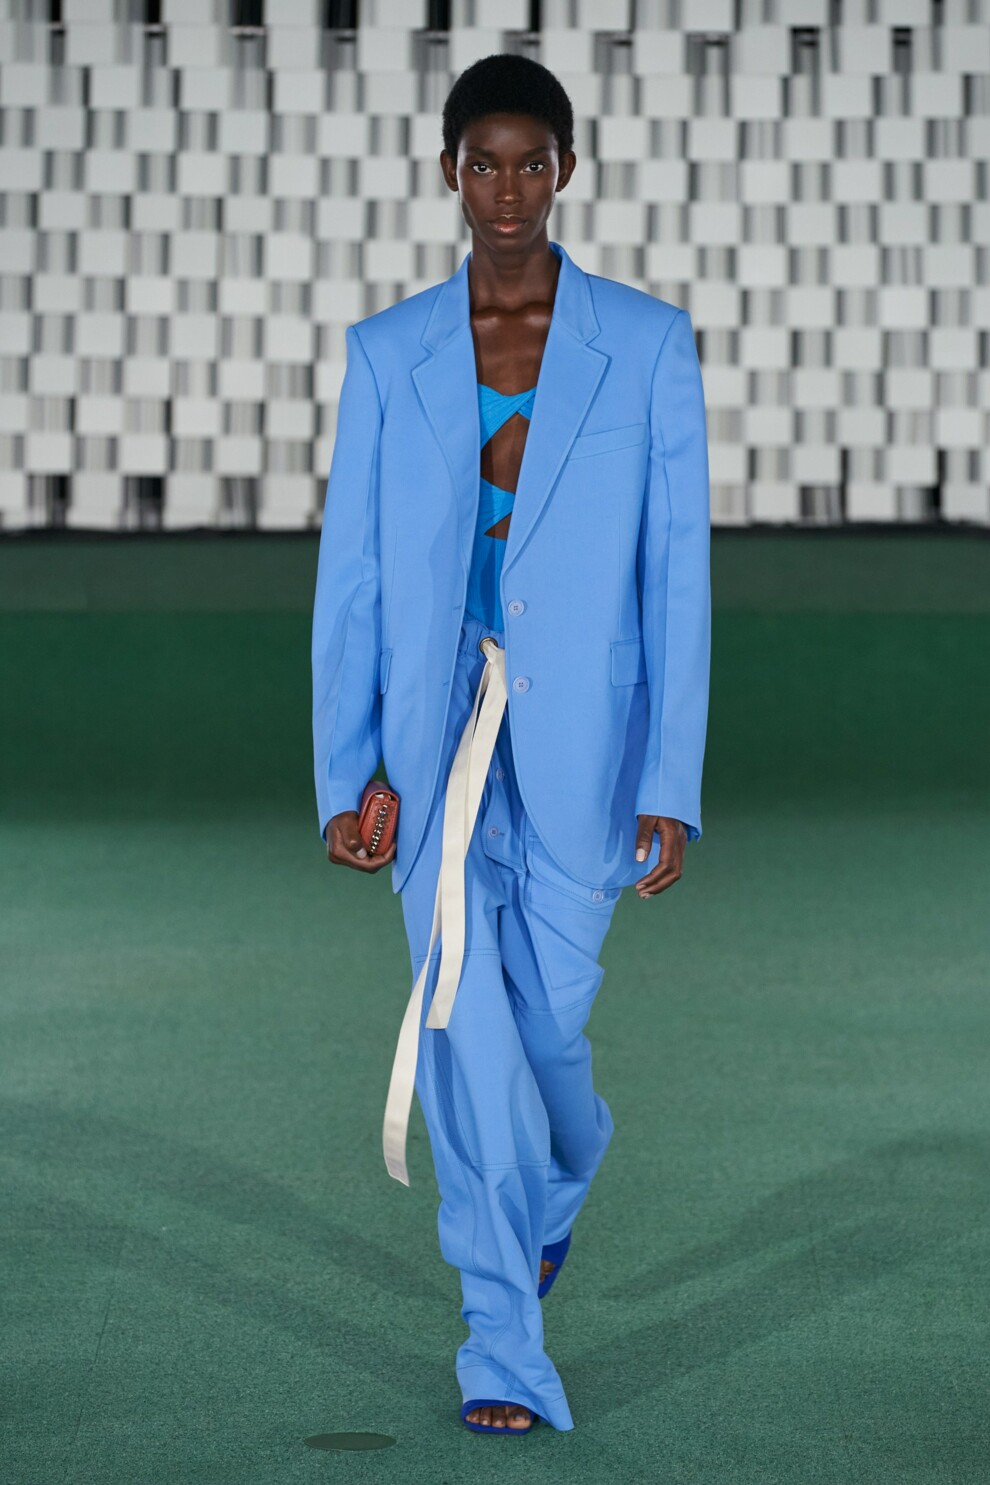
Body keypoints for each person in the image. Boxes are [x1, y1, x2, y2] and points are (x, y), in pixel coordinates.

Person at [311, 53, 710, 1437]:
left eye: (529, 162)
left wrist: (670, 780)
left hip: (585, 754)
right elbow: (354, 578)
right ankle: (501, 1345)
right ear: (447, 172)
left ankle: (563, 1173)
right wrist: (348, 770)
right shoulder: (388, 354)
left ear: (565, 171)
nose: (505, 189)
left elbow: (675, 576)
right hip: (431, 754)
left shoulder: (646, 345)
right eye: (481, 162)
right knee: (468, 1041)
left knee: (548, 1045)